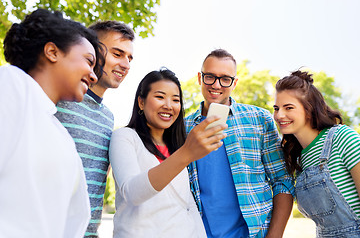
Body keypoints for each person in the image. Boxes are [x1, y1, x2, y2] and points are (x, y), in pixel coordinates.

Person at [0, 8, 104, 237]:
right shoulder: (10, 85)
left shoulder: (61, 135)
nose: (94, 76)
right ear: (52, 51)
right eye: (89, 61)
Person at [184, 49, 295, 238]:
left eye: (225, 79)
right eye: (209, 76)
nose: (216, 85)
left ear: (234, 83)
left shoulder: (259, 119)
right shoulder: (183, 128)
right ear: (199, 78)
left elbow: (282, 181)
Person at [109, 68, 227, 237]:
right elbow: (132, 193)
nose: (168, 105)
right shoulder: (125, 137)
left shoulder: (176, 147)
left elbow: (188, 207)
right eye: (160, 97)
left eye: (175, 100)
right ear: (141, 102)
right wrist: (186, 153)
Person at [55, 21, 134, 237]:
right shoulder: (57, 99)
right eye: (118, 54)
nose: (126, 64)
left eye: (129, 58)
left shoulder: (109, 118)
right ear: (92, 49)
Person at [273, 70, 360, 237]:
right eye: (276, 108)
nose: (279, 115)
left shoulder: (342, 137)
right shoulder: (298, 158)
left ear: (308, 109)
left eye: (288, 107)